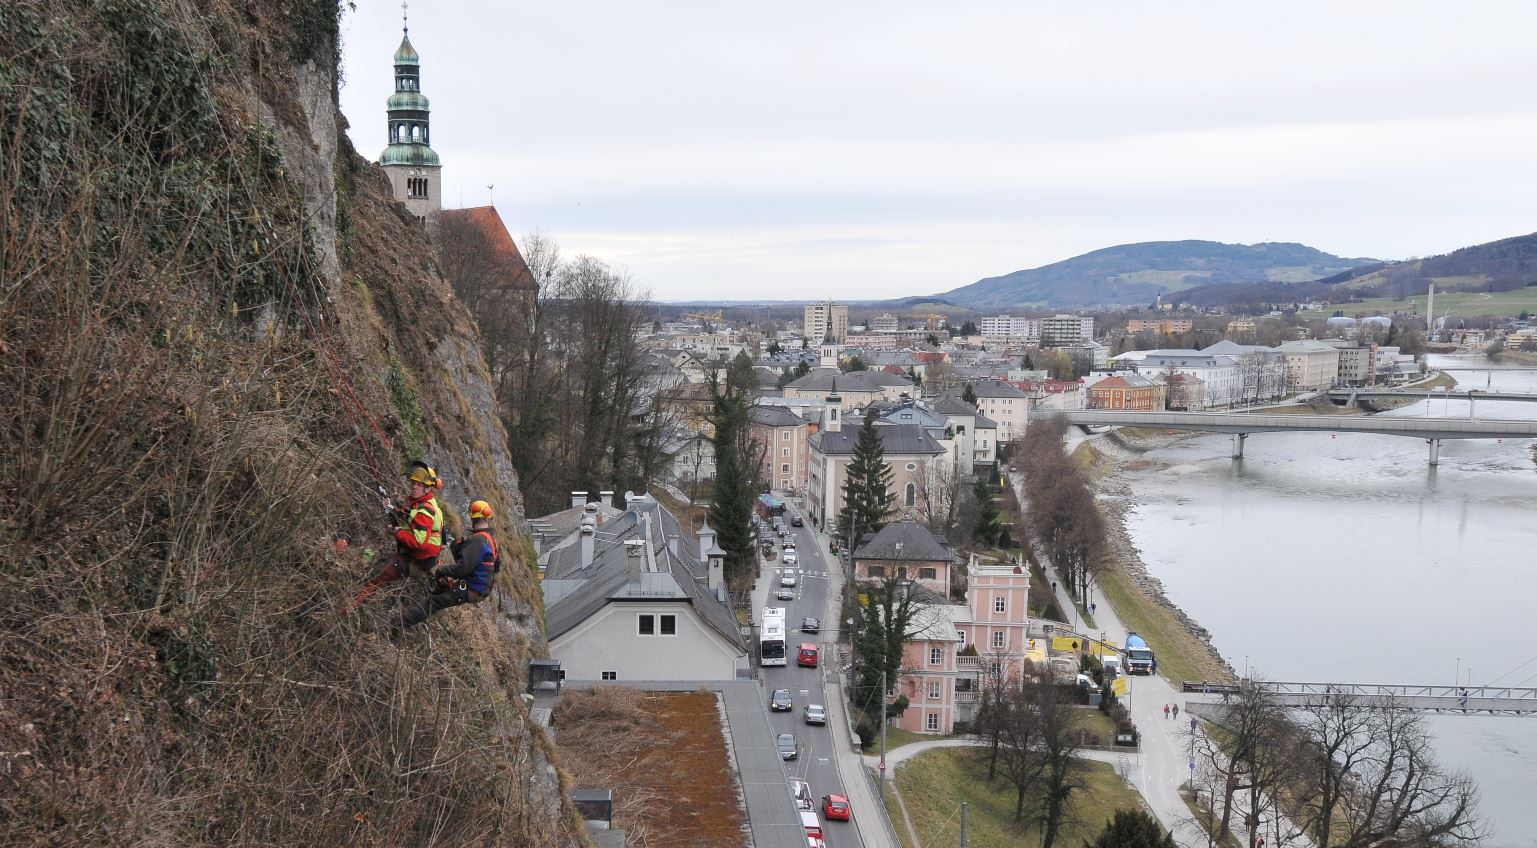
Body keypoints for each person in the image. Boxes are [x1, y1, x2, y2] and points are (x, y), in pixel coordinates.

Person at [352, 462, 445, 607]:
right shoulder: (426, 503)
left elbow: (418, 542)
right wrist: (392, 508)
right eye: (413, 483)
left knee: (377, 574)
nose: (414, 487)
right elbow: (412, 516)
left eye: (419, 485)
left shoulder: (426, 510)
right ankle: (361, 594)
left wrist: (398, 532)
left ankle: (350, 607)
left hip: (417, 562)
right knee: (377, 563)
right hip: (420, 557)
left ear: (427, 488)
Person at [397, 499, 499, 630]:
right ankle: (409, 617)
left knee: (434, 602)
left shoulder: (477, 540)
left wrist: (442, 570)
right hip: (480, 588)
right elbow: (493, 566)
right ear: (488, 518)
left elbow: (462, 569)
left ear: (472, 518)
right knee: (439, 594)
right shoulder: (491, 539)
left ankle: (397, 625)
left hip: (472, 589)